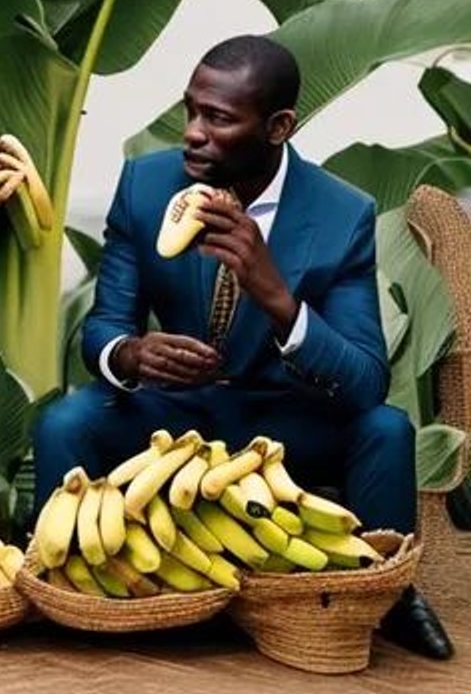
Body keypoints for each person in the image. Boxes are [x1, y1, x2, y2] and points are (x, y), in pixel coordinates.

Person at [33, 34, 453, 660]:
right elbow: (104, 325)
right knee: (66, 420)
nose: (194, 134)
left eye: (219, 118)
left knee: (386, 429)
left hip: (285, 423)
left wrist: (276, 295)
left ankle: (389, 595)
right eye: (191, 111)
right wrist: (129, 354)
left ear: (278, 126)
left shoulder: (341, 214)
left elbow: (365, 379)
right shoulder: (145, 189)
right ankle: (70, 589)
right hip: (174, 419)